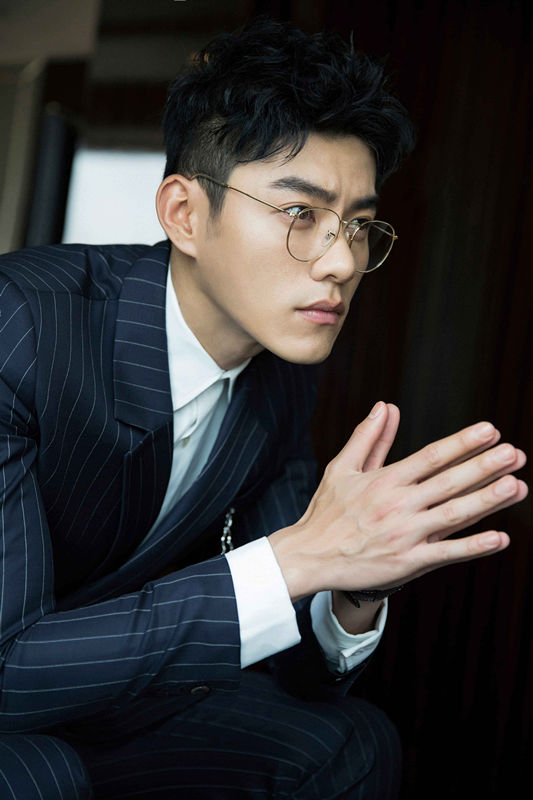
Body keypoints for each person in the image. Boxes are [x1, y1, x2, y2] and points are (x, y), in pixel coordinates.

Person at [0, 17, 527, 800]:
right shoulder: (20, 325)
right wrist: (300, 557)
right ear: (184, 213)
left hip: (103, 700)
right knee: (43, 776)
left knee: (346, 743)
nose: (342, 261)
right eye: (299, 214)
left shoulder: (279, 377)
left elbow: (303, 662)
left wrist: (357, 580)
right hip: (20, 699)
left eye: (358, 224)